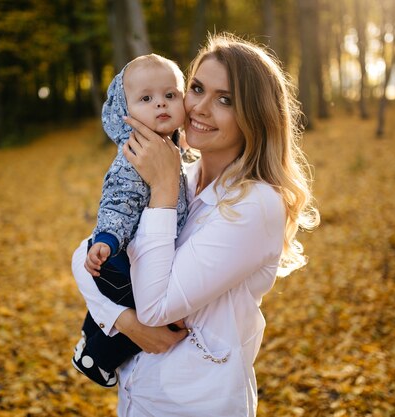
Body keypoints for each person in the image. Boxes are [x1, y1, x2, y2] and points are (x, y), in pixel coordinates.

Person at [73, 33, 319, 416]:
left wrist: (162, 187)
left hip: (197, 404)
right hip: (137, 397)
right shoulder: (181, 177)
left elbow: (155, 309)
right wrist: (123, 320)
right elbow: (85, 254)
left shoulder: (255, 204)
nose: (200, 108)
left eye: (225, 100)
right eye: (197, 89)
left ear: (255, 116)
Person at [72, 54, 189, 387]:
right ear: (126, 111)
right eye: (146, 99)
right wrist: (108, 239)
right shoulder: (133, 159)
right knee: (133, 307)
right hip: (128, 254)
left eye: (170, 95)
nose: (161, 105)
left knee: (131, 306)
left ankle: (93, 343)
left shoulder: (175, 150)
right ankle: (95, 358)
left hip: (148, 254)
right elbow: (118, 202)